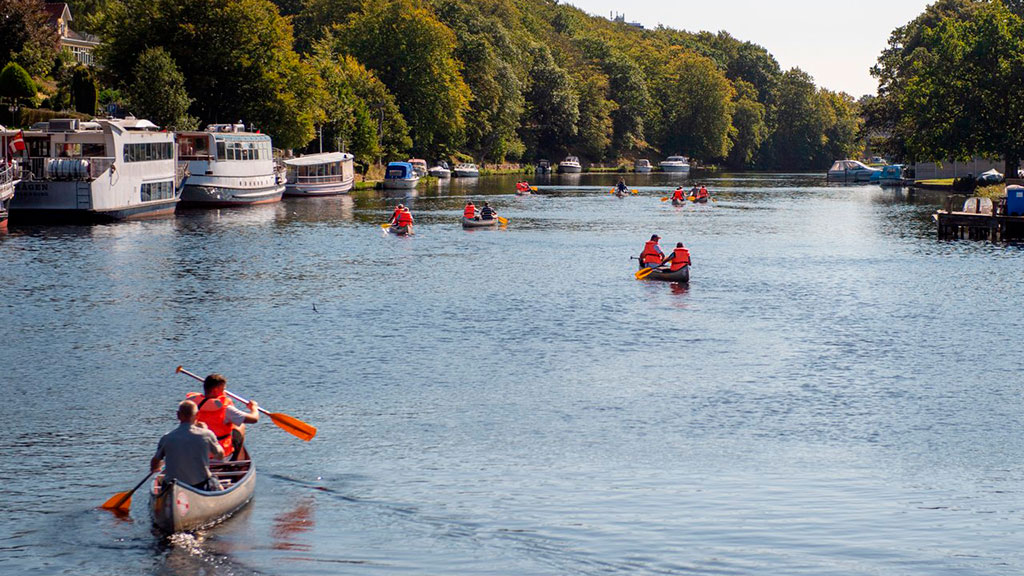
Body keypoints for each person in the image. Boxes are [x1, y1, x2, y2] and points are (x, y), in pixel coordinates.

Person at [151, 400, 224, 491]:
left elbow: (155, 462)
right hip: (199, 485)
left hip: (173, 487)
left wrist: (156, 467)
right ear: (197, 415)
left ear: (178, 415)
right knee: (215, 481)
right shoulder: (207, 434)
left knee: (164, 481)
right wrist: (207, 432)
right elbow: (220, 456)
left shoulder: (167, 437)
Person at [185, 374, 259, 461]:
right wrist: (254, 407)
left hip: (197, 452)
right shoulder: (226, 408)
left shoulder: (192, 404)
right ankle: (235, 460)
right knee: (241, 426)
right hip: (219, 454)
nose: (225, 392)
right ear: (216, 390)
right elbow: (254, 419)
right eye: (223, 389)